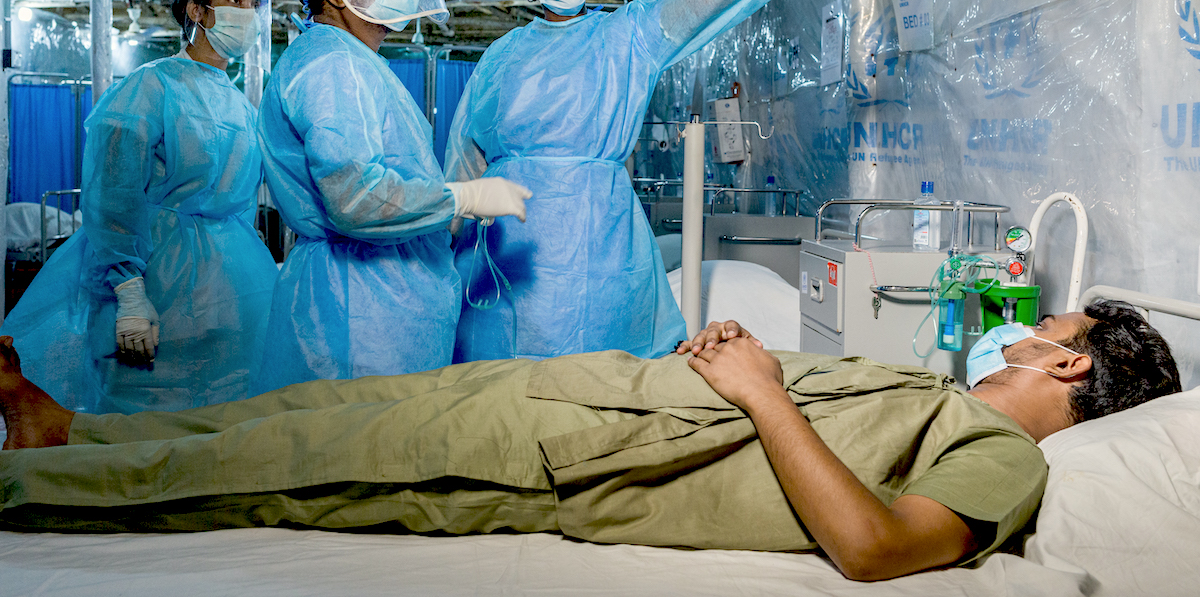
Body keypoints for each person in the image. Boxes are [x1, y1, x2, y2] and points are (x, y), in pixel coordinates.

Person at [0, 300, 1179, 582]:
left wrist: (761, 385)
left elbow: (874, 544)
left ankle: (32, 486)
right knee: (307, 414)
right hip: (577, 393)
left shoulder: (1004, 456)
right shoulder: (939, 391)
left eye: (1043, 327)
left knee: (274, 472)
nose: (1013, 332)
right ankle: (76, 429)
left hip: (565, 458)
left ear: (1069, 366)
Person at [444, 0, 859, 362]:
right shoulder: (498, 60)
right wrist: (442, 249)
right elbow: (462, 166)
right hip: (503, 260)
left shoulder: (628, 36)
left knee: (611, 390)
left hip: (600, 248)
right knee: (499, 402)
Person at [254, 0, 532, 393]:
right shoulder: (331, 65)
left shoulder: (357, 62)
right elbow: (355, 199)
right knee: (361, 457)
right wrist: (461, 198)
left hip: (386, 303)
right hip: (357, 312)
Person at [0, 0, 280, 414]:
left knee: (226, 411)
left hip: (232, 285)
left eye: (253, 2)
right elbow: (113, 193)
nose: (247, 14)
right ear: (196, 9)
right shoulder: (150, 87)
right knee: (142, 414)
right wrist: (129, 292)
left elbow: (240, 204)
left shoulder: (239, 104)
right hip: (157, 279)